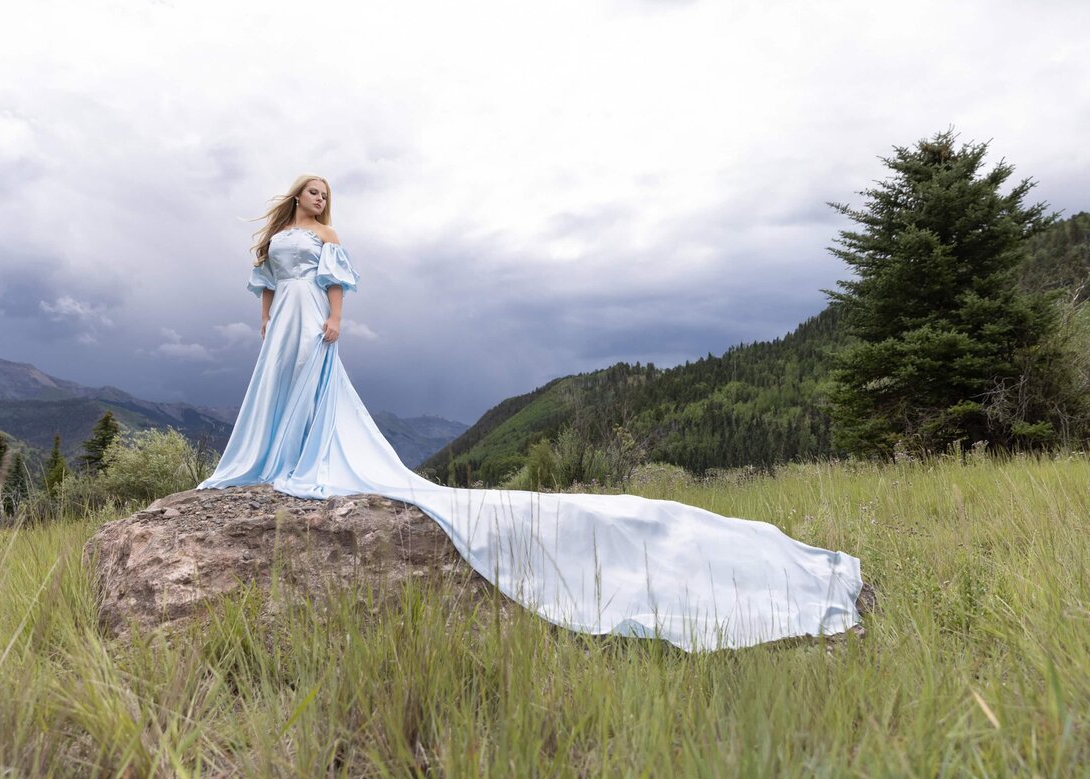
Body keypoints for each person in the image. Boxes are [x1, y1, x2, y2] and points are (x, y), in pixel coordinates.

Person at [199, 174, 865, 652]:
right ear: (295, 195)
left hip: (313, 317)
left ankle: (307, 454)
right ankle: (270, 457)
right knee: (276, 385)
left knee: (315, 385)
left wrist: (337, 320)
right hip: (282, 317)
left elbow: (335, 281)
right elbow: (264, 279)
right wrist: (265, 320)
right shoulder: (282, 235)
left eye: (324, 195)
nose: (319, 200)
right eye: (312, 193)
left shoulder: (327, 235)